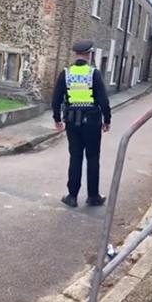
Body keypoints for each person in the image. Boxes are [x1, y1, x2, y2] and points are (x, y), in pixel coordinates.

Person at [52, 39, 111, 208]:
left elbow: (56, 99)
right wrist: (107, 120)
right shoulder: (94, 74)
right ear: (89, 54)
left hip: (72, 121)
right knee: (93, 158)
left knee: (75, 157)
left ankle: (72, 196)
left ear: (77, 54)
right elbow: (103, 101)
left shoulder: (66, 73)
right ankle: (93, 196)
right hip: (92, 121)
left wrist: (57, 119)